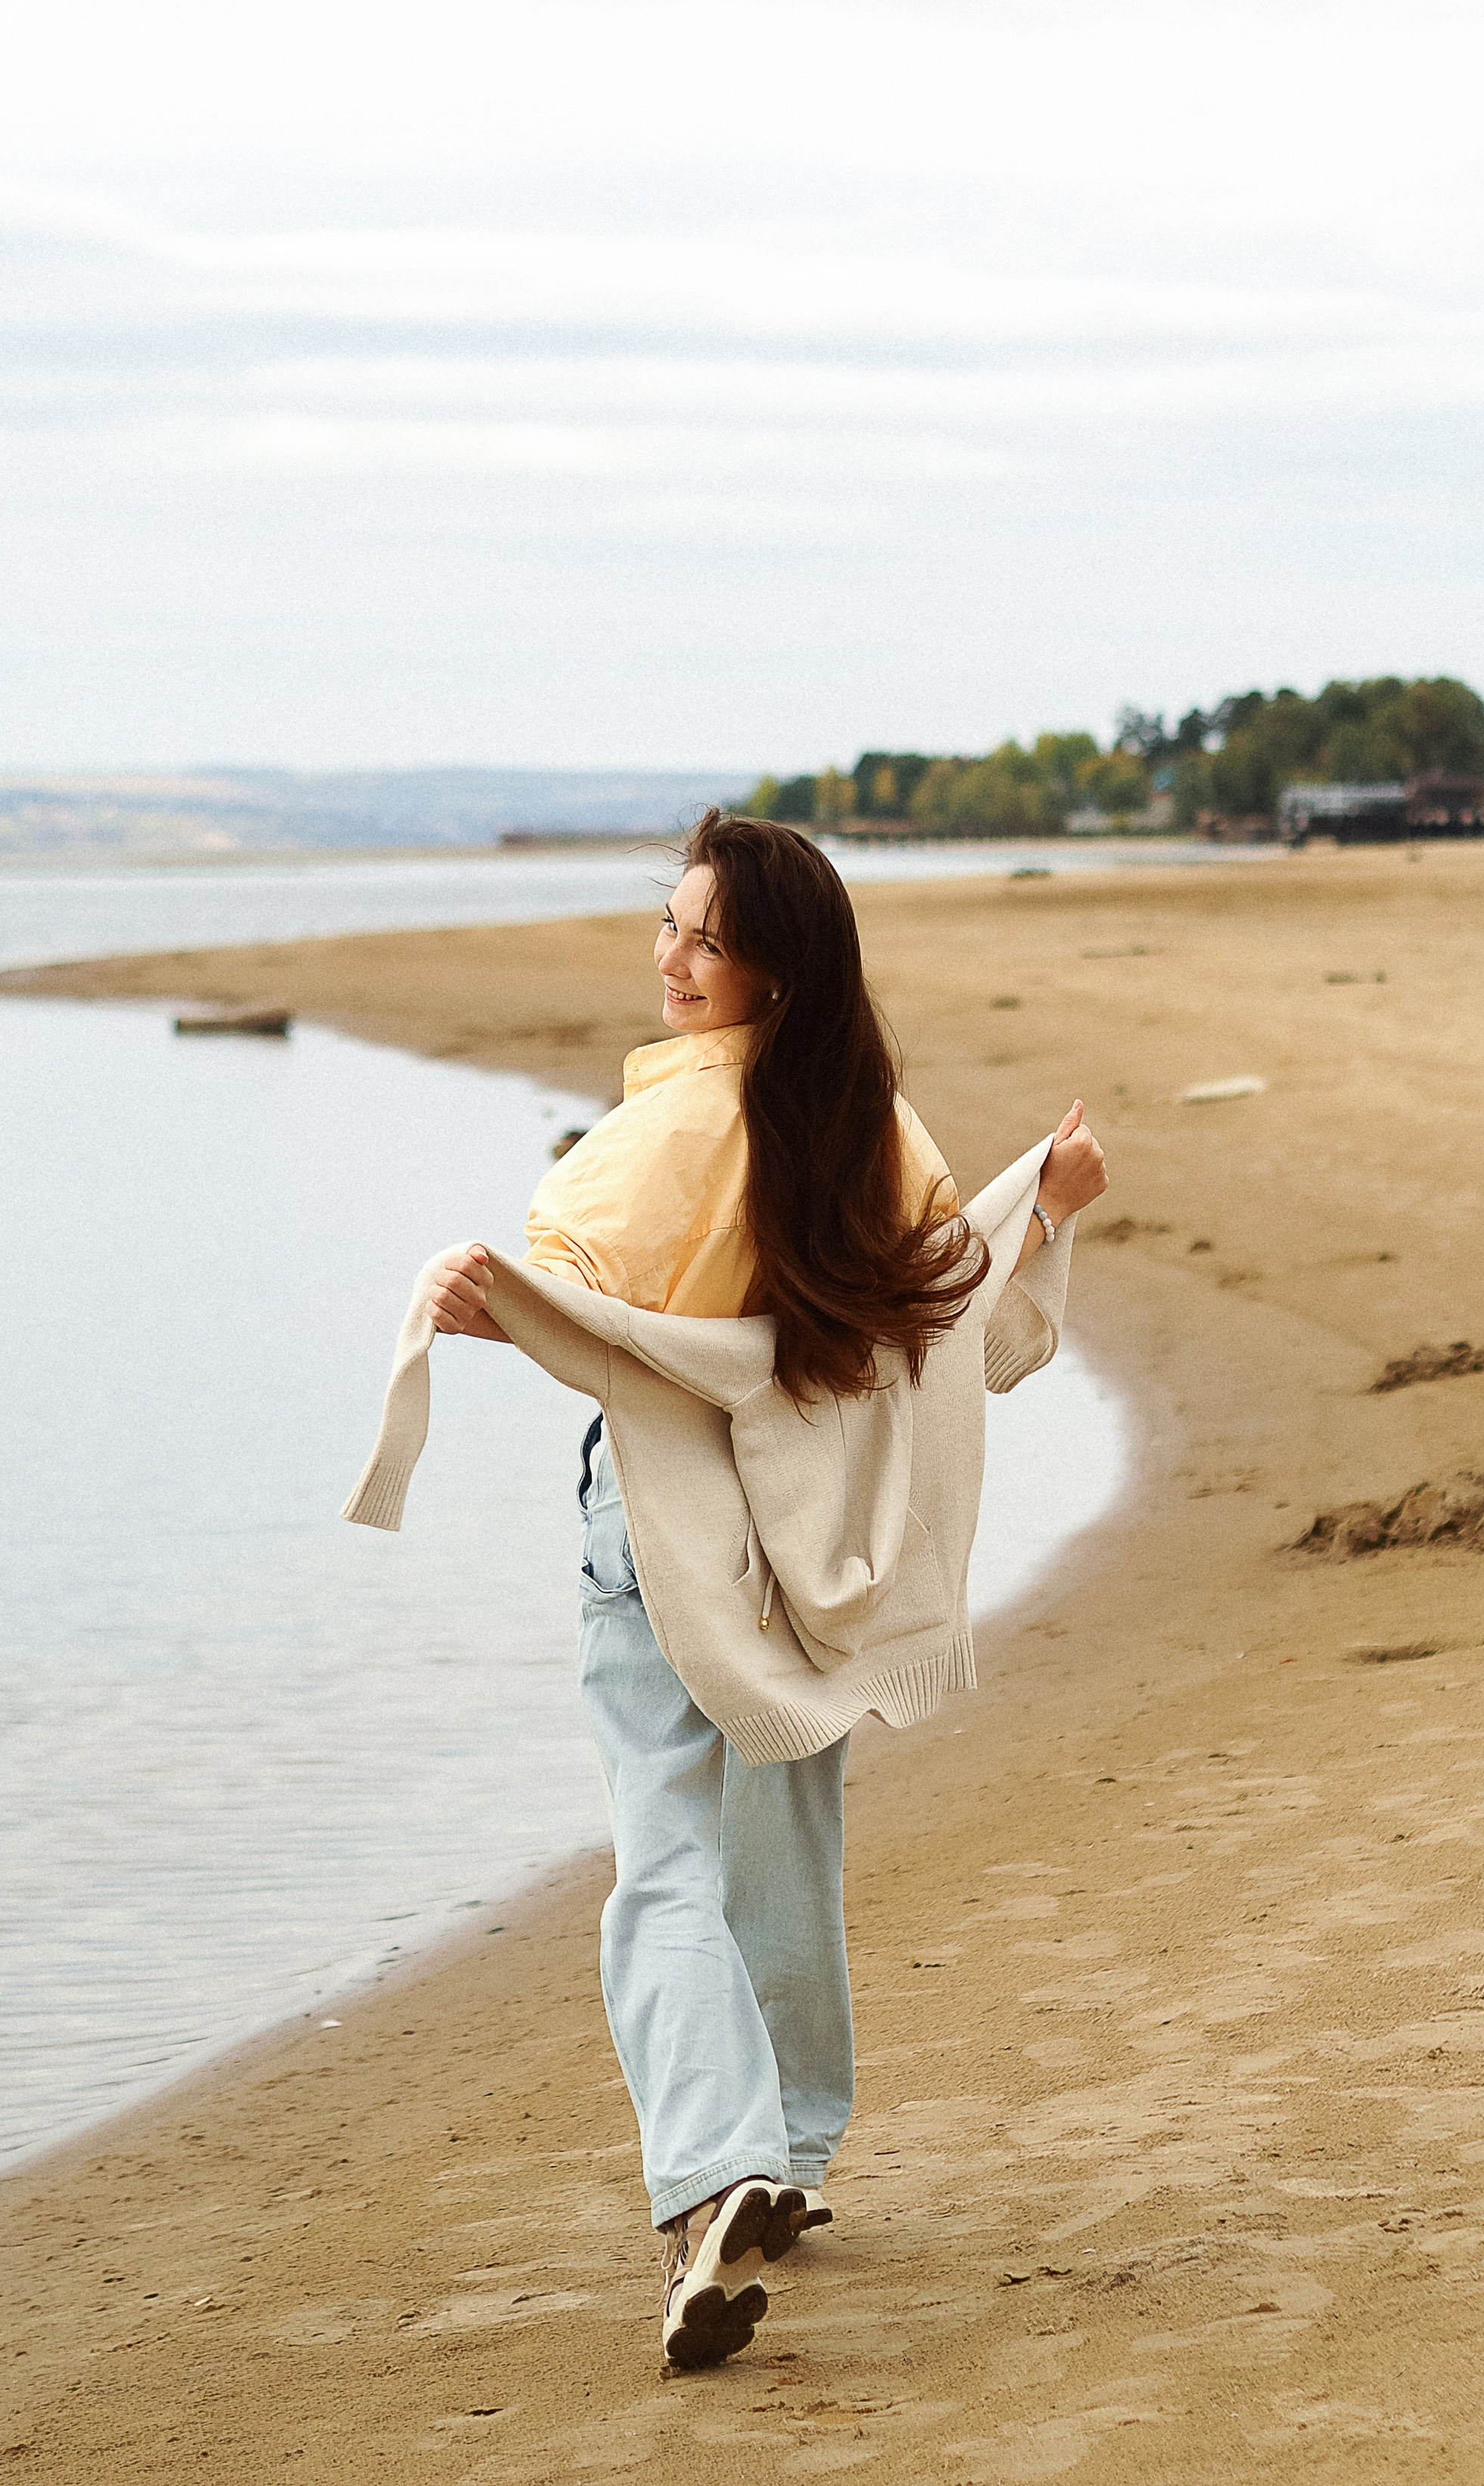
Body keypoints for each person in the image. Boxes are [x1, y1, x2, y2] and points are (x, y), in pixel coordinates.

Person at [413, 811, 1107, 2368]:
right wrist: (1047, 1203)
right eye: (668, 924)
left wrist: (490, 1309)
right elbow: (956, 1323)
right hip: (807, 1537)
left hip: (660, 1525)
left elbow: (585, 1311)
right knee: (784, 1836)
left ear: (771, 973)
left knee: (665, 1855)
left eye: (704, 939)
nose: (670, 958)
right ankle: (786, 2149)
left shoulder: (656, 1133)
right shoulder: (873, 1127)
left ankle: (714, 2172)